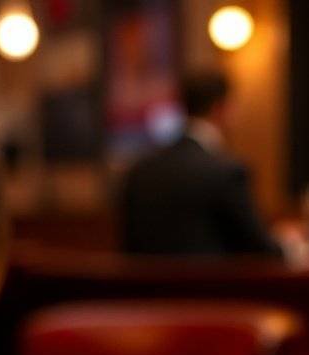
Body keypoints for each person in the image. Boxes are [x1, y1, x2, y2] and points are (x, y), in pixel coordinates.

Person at [119, 69, 282, 258]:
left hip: (141, 288)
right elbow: (260, 251)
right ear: (220, 109)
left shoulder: (140, 171)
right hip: (207, 287)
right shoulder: (227, 173)